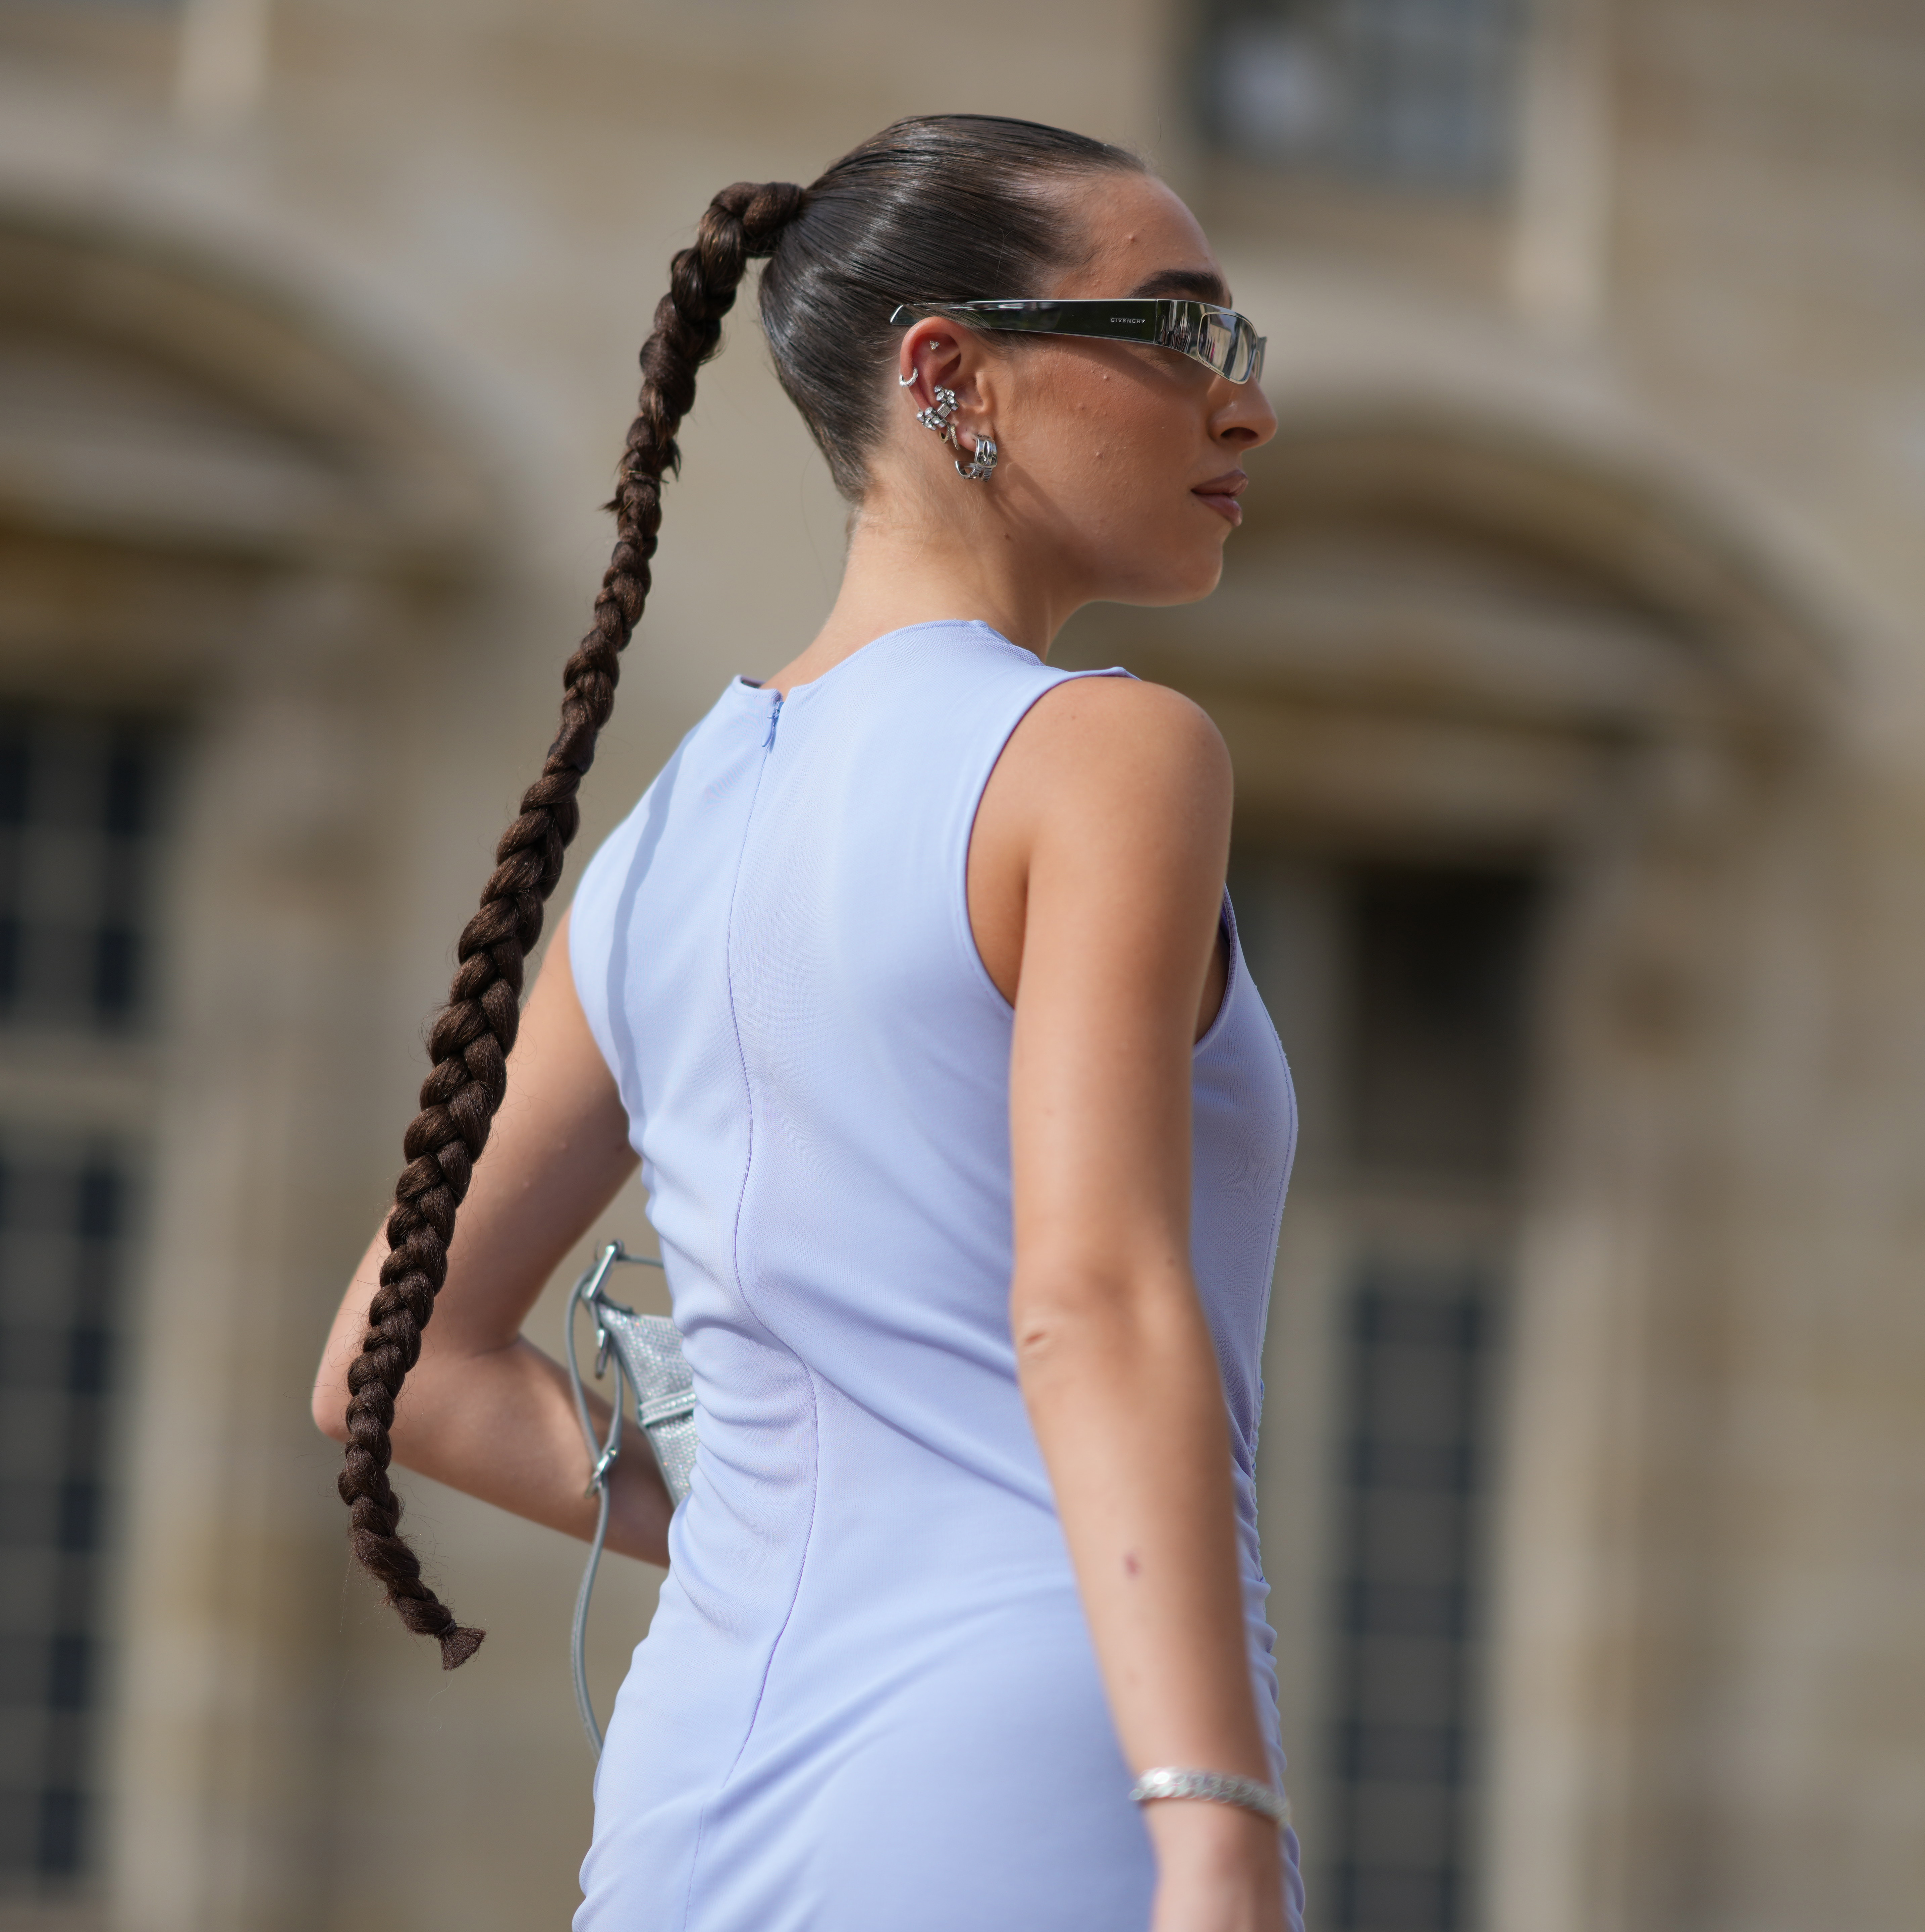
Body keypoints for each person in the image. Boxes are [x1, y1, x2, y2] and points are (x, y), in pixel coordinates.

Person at [309, 114, 1293, 1932]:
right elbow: (1093, 1298)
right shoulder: (1109, 755)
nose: (1246, 409)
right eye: (1183, 332)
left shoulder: (671, 836)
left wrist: (785, 1514)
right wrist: (1216, 1821)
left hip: (687, 1802)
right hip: (1030, 1766)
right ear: (949, 373)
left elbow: (398, 1363)